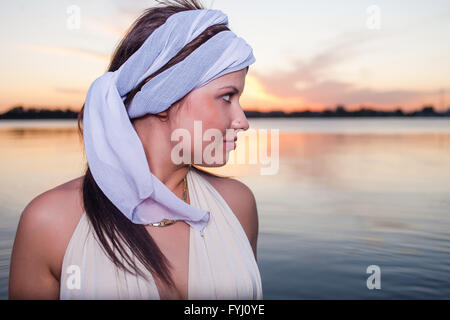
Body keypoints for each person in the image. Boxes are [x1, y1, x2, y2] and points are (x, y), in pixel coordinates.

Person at [9, 0, 262, 300]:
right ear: (162, 93)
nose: (242, 121)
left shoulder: (237, 206)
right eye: (227, 97)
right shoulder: (50, 224)